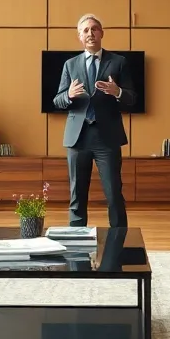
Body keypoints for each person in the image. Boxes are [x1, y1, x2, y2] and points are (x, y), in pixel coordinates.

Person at [53, 13, 137, 227]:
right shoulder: (70, 65)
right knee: (77, 195)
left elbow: (132, 98)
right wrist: (68, 95)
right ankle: (76, 239)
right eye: (85, 30)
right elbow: (57, 100)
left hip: (107, 137)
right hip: (78, 138)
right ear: (80, 36)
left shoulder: (118, 62)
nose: (90, 33)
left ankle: (118, 238)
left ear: (101, 33)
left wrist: (118, 91)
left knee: (114, 193)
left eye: (94, 29)